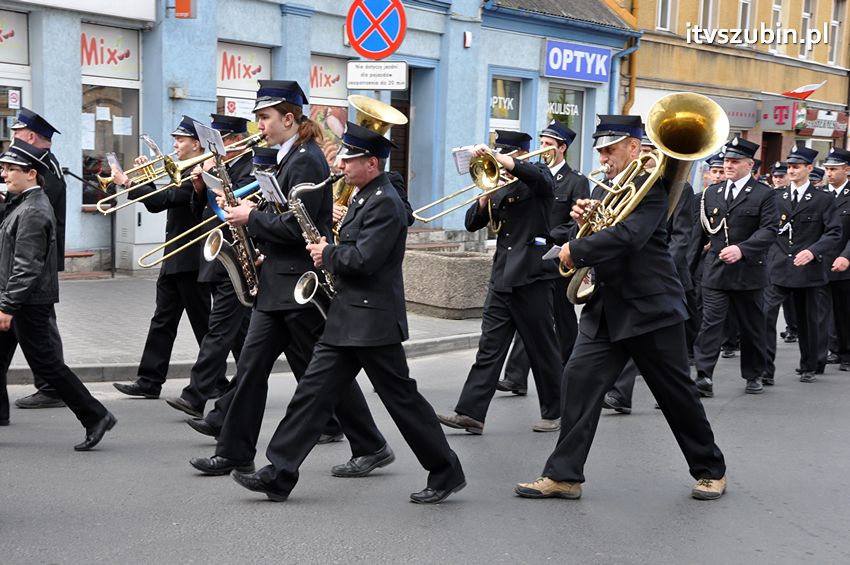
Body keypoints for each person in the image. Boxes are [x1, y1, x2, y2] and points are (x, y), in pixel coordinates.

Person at [230, 123, 465, 504]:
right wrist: (328, 245)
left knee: (402, 400)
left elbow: (366, 259)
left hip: (373, 322)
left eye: (349, 158)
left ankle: (446, 470)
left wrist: (328, 254)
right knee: (310, 395)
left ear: (371, 163)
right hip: (348, 317)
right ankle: (279, 473)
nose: (340, 163)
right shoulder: (363, 195)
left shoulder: (385, 201)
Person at [515, 115, 726, 501]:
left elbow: (629, 237)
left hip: (651, 310)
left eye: (611, 149)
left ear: (635, 147)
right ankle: (564, 474)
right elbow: (598, 234)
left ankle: (710, 469)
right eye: (600, 150)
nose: (605, 156)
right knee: (577, 384)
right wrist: (580, 225)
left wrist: (575, 248)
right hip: (606, 309)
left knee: (676, 394)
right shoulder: (607, 190)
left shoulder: (653, 189)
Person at [189, 81, 377, 476]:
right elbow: (279, 214)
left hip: (298, 284)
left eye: (265, 118)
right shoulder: (287, 156)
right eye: (259, 117)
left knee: (323, 374)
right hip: (278, 281)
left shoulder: (306, 159)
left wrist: (249, 218)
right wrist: (248, 216)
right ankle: (235, 453)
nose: (260, 125)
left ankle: (371, 443)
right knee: (253, 368)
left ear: (288, 119)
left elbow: (298, 227)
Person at [437, 130, 562, 434]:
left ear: (517, 155)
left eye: (503, 155)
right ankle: (471, 413)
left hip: (531, 276)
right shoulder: (501, 187)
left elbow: (541, 180)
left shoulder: (540, 177)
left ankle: (556, 411)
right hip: (503, 277)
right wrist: (484, 196)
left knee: (541, 349)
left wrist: (503, 162)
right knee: (489, 349)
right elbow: (471, 223)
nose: (497, 161)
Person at [0, 139, 116, 449]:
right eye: (4, 168)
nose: (5, 174)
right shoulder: (23, 203)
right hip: (16, 297)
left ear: (32, 173)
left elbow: (26, 265)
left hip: (26, 301)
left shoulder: (34, 211)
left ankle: (96, 415)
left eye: (11, 169)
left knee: (49, 365)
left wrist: (8, 307)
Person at [111, 116, 212, 399]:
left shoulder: (200, 173)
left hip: (191, 259)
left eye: (180, 140)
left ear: (196, 144)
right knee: (163, 321)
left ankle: (214, 381)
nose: (175, 145)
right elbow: (161, 199)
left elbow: (160, 201)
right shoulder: (182, 171)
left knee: (205, 325)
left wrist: (129, 182)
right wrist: (145, 174)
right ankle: (149, 380)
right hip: (174, 257)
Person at [164, 114, 255, 419]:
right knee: (245, 341)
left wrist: (212, 183)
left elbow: (235, 211)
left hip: (238, 259)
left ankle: (196, 395)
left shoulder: (249, 168)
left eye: (223, 140)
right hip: (219, 257)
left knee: (219, 330)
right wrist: (201, 188)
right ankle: (242, 390)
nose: (219, 146)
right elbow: (202, 211)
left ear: (234, 140)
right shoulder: (224, 166)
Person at [603, 134, 699, 413]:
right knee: (634, 337)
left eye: (650, 151)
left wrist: (658, 268)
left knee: (668, 351)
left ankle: (675, 394)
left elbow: (681, 237)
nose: (645, 158)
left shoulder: (677, 189)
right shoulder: (625, 187)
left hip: (665, 275)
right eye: (643, 150)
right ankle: (622, 394)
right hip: (634, 277)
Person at [498, 120, 588, 396]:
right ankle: (516, 375)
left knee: (562, 319)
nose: (543, 149)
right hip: (530, 258)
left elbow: (577, 223)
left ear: (563, 148)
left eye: (549, 145)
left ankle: (569, 369)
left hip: (557, 255)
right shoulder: (530, 175)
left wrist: (550, 238)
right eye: (542, 143)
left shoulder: (576, 181)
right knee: (533, 319)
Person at [691, 137, 778, 396]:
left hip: (749, 271)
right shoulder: (712, 193)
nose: (728, 165)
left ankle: (754, 374)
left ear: (749, 164)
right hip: (716, 271)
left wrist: (742, 249)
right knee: (710, 324)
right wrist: (688, 267)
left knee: (751, 326)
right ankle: (704, 376)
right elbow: (700, 234)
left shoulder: (765, 194)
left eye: (735, 161)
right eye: (727, 160)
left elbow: (770, 230)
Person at [6, 108, 68, 410]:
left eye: (17, 136)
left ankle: (52, 387)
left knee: (41, 329)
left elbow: (36, 212)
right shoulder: (42, 164)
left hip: (35, 259)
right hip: (29, 258)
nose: (14, 141)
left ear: (31, 137)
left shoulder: (45, 168)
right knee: (28, 327)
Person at [763, 146, 840, 384]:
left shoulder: (823, 199)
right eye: (790, 166)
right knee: (765, 316)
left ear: (809, 168)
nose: (792, 170)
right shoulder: (777, 196)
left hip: (808, 270)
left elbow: (834, 232)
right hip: (777, 267)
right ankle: (765, 370)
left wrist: (813, 251)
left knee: (809, 321)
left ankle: (809, 364)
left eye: (797, 166)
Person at [823, 148, 850, 371]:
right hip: (822, 261)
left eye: (834, 169)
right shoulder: (822, 195)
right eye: (827, 169)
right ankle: (833, 349)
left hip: (845, 262)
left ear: (847, 170)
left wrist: (846, 256)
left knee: (844, 309)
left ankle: (847, 352)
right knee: (825, 309)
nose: (829, 173)